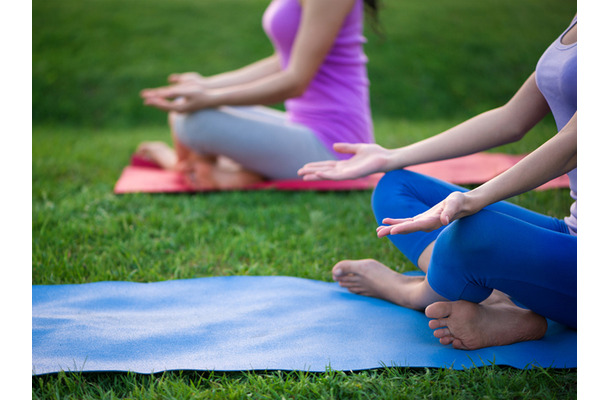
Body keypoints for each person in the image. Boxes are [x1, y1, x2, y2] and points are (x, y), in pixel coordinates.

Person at [298, 16, 577, 350]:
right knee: (397, 186)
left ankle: (408, 291)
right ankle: (497, 302)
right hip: (572, 235)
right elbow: (511, 119)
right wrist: (391, 157)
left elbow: (573, 146)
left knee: (470, 233)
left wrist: (474, 200)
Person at [137, 0, 377, 190]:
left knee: (194, 121)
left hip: (336, 147)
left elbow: (295, 82)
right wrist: (205, 85)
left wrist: (211, 97)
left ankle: (196, 168)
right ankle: (225, 172)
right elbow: (282, 62)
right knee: (186, 105)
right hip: (301, 127)